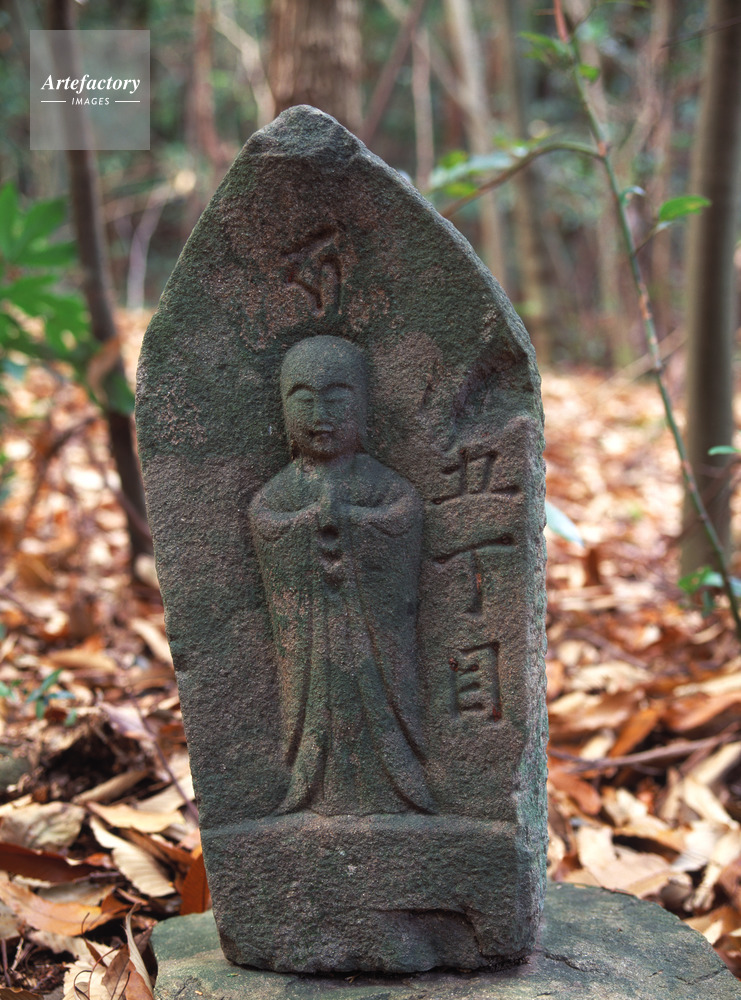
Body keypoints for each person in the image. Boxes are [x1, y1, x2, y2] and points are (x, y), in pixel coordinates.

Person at [249, 335, 435, 816]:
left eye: (336, 399)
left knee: (376, 701)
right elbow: (265, 521)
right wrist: (307, 527)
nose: (320, 415)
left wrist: (352, 525)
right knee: (318, 708)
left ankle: (395, 794)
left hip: (371, 636)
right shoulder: (285, 487)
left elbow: (404, 514)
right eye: (303, 400)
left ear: (363, 408)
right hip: (311, 642)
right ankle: (312, 793)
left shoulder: (376, 480)